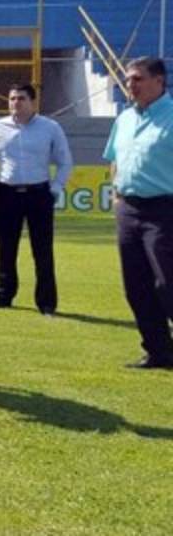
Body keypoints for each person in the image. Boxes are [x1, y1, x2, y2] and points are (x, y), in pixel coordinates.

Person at [0, 83, 73, 315]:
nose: (15, 103)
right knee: (5, 249)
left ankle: (46, 302)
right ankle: (3, 295)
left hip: (39, 193)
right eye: (12, 99)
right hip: (6, 193)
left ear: (33, 102)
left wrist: (55, 188)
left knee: (43, 250)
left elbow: (65, 161)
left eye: (21, 98)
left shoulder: (50, 127)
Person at [103, 57, 173, 370]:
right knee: (136, 285)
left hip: (165, 208)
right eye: (128, 79)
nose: (130, 85)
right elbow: (114, 158)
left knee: (167, 282)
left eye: (137, 79)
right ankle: (158, 351)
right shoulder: (125, 119)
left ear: (160, 81)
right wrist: (117, 195)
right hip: (129, 209)